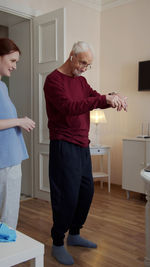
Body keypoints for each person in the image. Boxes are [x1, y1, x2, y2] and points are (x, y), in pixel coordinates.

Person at [44, 41, 127, 265]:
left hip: (82, 145)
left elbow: (94, 98)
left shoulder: (81, 81)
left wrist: (113, 98)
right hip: (63, 145)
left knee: (86, 192)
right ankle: (58, 242)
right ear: (71, 56)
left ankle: (75, 233)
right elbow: (70, 107)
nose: (84, 68)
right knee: (66, 196)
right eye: (82, 63)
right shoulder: (53, 80)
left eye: (88, 65)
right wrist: (102, 99)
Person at [0, 38, 35, 229]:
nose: (14, 66)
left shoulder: (3, 87)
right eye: (12, 61)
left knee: (8, 216)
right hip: (4, 161)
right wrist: (19, 121)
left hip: (12, 158)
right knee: (7, 219)